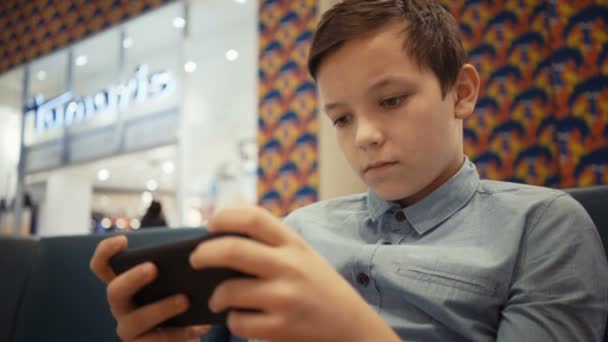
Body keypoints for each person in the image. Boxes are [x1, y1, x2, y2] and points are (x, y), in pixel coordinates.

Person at [90, 1, 608, 341]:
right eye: (341, 117)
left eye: (392, 99)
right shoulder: (297, 231)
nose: (363, 136)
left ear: (462, 92)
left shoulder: (543, 227)